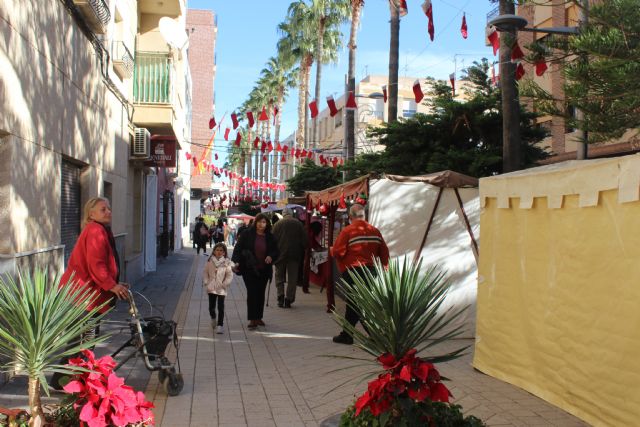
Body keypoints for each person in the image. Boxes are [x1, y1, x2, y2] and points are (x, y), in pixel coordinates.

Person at [50, 197, 130, 389]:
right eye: (103, 209)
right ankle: (63, 383)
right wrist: (112, 286)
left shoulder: (99, 230)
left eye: (109, 208)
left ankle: (68, 382)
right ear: (91, 214)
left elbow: (102, 264)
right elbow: (96, 265)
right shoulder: (95, 230)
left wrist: (115, 283)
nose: (108, 211)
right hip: (81, 298)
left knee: (84, 341)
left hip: (86, 297)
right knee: (81, 342)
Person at [331, 204, 389, 345]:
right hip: (370, 271)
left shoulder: (347, 231)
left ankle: (373, 335)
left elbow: (338, 252)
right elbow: (384, 253)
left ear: (350, 217)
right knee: (355, 302)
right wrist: (385, 268)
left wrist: (332, 250)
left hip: (353, 271)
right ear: (364, 216)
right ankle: (348, 334)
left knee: (356, 303)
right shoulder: (375, 231)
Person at [231, 213, 278, 329]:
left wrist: (271, 256)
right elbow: (238, 249)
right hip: (249, 269)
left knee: (260, 293)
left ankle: (258, 317)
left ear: (267, 224)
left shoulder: (270, 236)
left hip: (264, 270)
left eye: (264, 222)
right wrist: (235, 262)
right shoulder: (247, 234)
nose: (261, 224)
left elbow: (276, 250)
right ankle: (252, 319)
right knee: (252, 293)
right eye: (259, 222)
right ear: (255, 222)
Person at [272, 207, 308, 308]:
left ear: (283, 214)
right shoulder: (298, 224)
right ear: (291, 214)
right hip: (294, 254)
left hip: (280, 254)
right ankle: (289, 299)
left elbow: (272, 239)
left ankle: (280, 297)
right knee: (292, 278)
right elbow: (305, 240)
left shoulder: (277, 224)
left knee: (279, 276)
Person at [203, 242, 234, 334]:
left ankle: (220, 325)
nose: (219, 252)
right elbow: (205, 272)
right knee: (211, 307)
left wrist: (225, 284)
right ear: (214, 251)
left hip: (221, 288)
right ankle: (213, 318)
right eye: (217, 250)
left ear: (224, 252)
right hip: (211, 287)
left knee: (221, 307)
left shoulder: (226, 262)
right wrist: (206, 281)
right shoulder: (210, 261)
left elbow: (229, 275)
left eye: (221, 250)